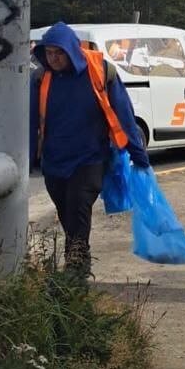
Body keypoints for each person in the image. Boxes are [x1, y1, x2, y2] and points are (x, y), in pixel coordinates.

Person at [30, 22, 151, 277]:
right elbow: (31, 121)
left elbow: (124, 115)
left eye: (59, 53)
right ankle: (74, 270)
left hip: (90, 160)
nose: (54, 58)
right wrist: (27, 161)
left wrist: (139, 156)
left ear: (72, 50)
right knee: (68, 219)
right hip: (54, 164)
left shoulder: (100, 72)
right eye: (49, 53)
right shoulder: (42, 78)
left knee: (78, 210)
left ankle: (76, 274)